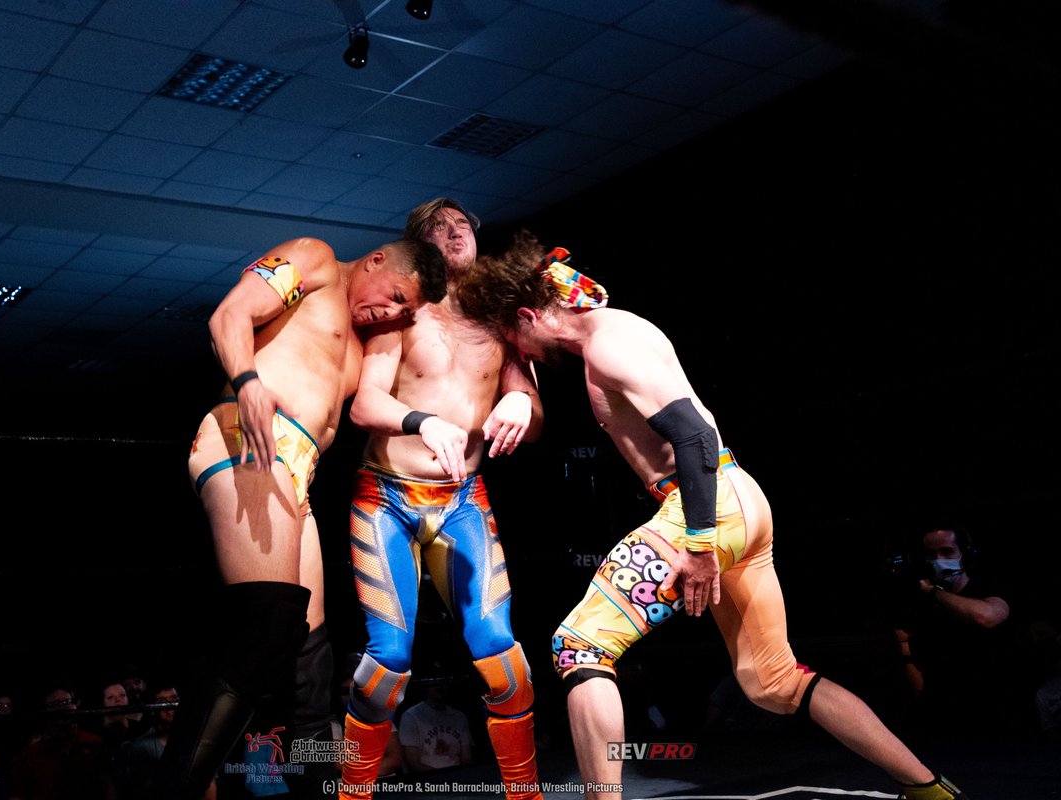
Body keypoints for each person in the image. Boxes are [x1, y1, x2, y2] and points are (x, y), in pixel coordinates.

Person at [454, 231, 969, 800]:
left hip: (707, 507)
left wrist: (699, 545)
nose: (521, 354)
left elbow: (694, 436)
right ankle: (930, 790)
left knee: (580, 647)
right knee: (774, 681)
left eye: (515, 338)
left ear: (529, 314)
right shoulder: (618, 326)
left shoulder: (606, 347)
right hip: (740, 497)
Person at [154, 235, 446, 800]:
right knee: (265, 621)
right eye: (394, 297)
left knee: (309, 655)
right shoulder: (316, 259)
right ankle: (175, 789)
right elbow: (230, 314)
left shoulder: (366, 341)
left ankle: (311, 787)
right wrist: (248, 382)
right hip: (251, 439)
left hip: (299, 471)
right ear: (377, 261)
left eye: (402, 312)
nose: (390, 313)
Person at [341, 198, 544, 800]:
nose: (454, 234)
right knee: (387, 663)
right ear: (420, 244)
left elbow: (534, 422)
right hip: (388, 498)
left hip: (463, 500)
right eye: (439, 228)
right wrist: (421, 421)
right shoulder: (401, 311)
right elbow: (365, 404)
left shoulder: (503, 321)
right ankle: (353, 791)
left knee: (502, 657)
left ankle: (525, 793)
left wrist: (520, 401)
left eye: (463, 227)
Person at [891, 526, 1014, 737]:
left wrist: (933, 593)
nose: (939, 560)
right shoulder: (920, 606)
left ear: (965, 554)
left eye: (947, 552)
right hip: (942, 718)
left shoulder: (988, 588)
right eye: (931, 555)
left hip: (996, 712)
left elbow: (987, 616)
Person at [7, 685, 114, 800]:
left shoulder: (95, 744)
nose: (61, 708)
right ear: (46, 711)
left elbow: (109, 786)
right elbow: (17, 795)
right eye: (54, 705)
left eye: (66, 702)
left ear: (75, 706)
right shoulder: (30, 756)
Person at [398, 681, 473, 774]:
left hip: (457, 778)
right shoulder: (411, 716)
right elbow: (413, 763)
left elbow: (466, 758)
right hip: (427, 780)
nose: (439, 687)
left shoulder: (459, 717)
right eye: (434, 683)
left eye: (442, 682)